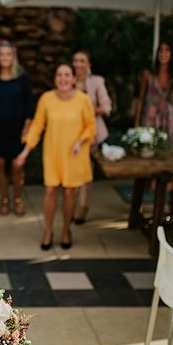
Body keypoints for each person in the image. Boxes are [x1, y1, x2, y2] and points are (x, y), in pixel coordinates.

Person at [15, 64, 96, 250]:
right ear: (55, 79)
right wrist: (25, 151)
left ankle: (66, 230)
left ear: (74, 79)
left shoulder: (83, 100)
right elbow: (37, 126)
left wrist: (80, 141)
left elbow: (91, 126)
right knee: (50, 191)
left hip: (74, 154)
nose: (63, 78)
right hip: (53, 152)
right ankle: (48, 231)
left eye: (67, 75)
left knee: (69, 193)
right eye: (59, 75)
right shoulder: (47, 99)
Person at [0, 41, 34, 216]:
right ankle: (4, 200)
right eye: (2, 54)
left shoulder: (22, 78)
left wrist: (27, 126)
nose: (5, 58)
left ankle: (17, 199)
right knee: (1, 164)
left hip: (18, 129)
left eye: (8, 54)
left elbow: (29, 104)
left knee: (17, 165)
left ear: (13, 57)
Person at [72, 50, 112, 224]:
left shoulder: (96, 82)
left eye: (82, 61)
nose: (79, 64)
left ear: (88, 64)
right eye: (76, 61)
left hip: (91, 134)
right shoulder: (68, 80)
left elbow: (107, 107)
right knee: (72, 171)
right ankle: (71, 204)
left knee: (86, 171)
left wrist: (87, 111)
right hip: (70, 134)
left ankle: (82, 207)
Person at [134, 41, 173, 151]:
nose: (163, 54)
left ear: (172, 54)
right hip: (151, 117)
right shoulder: (148, 74)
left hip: (171, 118)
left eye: (167, 50)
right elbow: (141, 99)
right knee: (149, 150)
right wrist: (137, 123)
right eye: (161, 51)